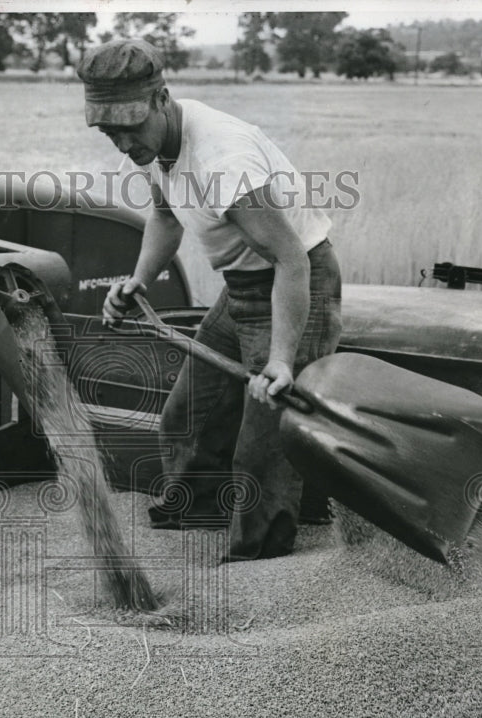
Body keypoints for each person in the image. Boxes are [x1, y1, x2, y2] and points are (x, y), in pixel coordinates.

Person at [77, 40, 342, 561]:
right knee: (186, 418)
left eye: (131, 126)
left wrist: (283, 360)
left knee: (262, 446)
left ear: (162, 99)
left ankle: (260, 557)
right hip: (242, 286)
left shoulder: (224, 159)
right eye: (111, 131)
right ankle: (199, 510)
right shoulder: (157, 144)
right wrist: (138, 280)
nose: (125, 142)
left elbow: (293, 261)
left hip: (293, 285)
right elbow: (166, 214)